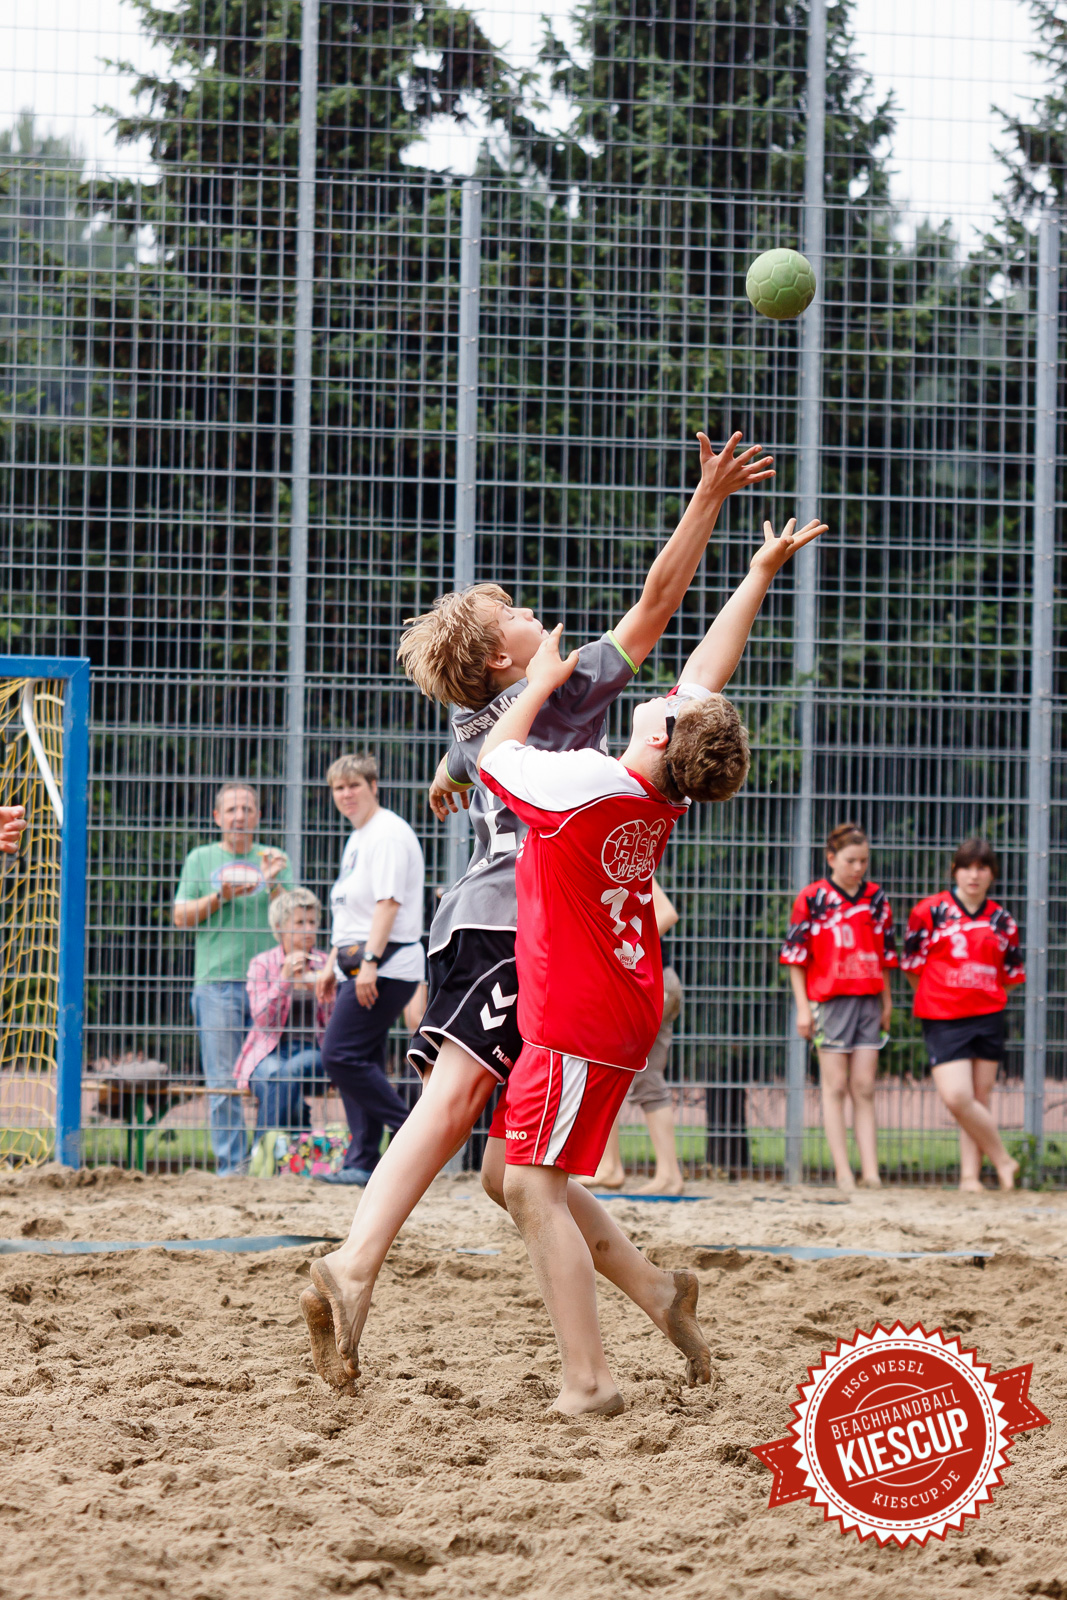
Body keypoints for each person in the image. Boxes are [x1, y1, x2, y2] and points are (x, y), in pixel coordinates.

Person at [298, 430, 776, 1391]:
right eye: (505, 611)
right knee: (485, 1137)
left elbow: (483, 745)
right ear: (491, 658)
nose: (523, 609)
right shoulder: (545, 696)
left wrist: (449, 764)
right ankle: (356, 1269)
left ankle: (641, 1289)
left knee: (507, 1167)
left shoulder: (499, 715)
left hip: (494, 925)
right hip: (507, 926)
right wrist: (707, 501)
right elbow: (656, 608)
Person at [474, 512, 826, 1416]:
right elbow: (706, 676)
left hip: (580, 1011)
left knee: (531, 1187)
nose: (673, 692)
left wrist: (544, 679)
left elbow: (493, 755)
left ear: (663, 738)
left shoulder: (586, 785)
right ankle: (657, 1290)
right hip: (618, 1002)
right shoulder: (648, 779)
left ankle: (588, 1383)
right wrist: (755, 574)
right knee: (500, 1174)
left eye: (672, 707)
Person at [313, 753, 426, 1185]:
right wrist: (331, 965)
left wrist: (370, 965)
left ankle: (411, 1133)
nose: (346, 794)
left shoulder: (388, 835)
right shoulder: (358, 838)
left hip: (387, 964)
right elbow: (351, 915)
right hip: (358, 964)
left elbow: (388, 904)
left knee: (338, 1054)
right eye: (339, 788)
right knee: (361, 1058)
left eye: (354, 785)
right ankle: (362, 1160)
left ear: (373, 786)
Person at [173, 783, 292, 1175]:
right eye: (231, 809)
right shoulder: (200, 858)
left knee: (270, 1073)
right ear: (217, 817)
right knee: (223, 1080)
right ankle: (232, 1167)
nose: (239, 815)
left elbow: (292, 922)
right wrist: (220, 896)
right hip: (217, 984)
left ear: (258, 816)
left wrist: (273, 880)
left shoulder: (275, 858)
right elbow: (180, 917)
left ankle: (265, 1161)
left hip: (269, 985)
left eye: (247, 808)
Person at [780, 822, 897, 1191]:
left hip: (868, 998)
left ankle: (872, 1172)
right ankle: (844, 1173)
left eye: (863, 861)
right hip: (829, 1002)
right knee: (835, 1086)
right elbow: (796, 959)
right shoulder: (812, 898)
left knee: (864, 1086)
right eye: (851, 860)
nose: (858, 868)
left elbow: (884, 955)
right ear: (832, 858)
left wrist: (887, 1001)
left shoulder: (876, 898)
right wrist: (803, 1008)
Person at [902, 838, 1023, 1192]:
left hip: (987, 1016)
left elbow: (1012, 974)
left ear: (992, 874)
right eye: (967, 866)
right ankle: (1004, 1160)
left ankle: (971, 1177)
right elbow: (912, 966)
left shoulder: (1001, 919)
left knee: (978, 1099)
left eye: (982, 867)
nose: (974, 874)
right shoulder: (929, 911)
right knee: (957, 1097)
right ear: (955, 870)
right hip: (942, 1015)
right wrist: (940, 993)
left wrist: (985, 995)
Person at [580, 881, 687, 1194]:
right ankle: (666, 1174)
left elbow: (667, 914)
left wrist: (620, 948)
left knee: (605, 1070)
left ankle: (611, 1167)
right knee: (643, 1077)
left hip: (644, 983)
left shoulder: (623, 866)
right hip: (657, 981)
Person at [233, 887, 334, 1136]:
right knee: (276, 1079)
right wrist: (285, 980)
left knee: (287, 1073)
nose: (309, 929)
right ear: (279, 928)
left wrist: (325, 991)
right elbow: (262, 1018)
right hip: (268, 1051)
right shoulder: (262, 964)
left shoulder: (326, 964)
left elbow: (336, 1024)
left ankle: (259, 1153)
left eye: (312, 922)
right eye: (299, 922)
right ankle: (295, 1143)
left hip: (314, 1051)